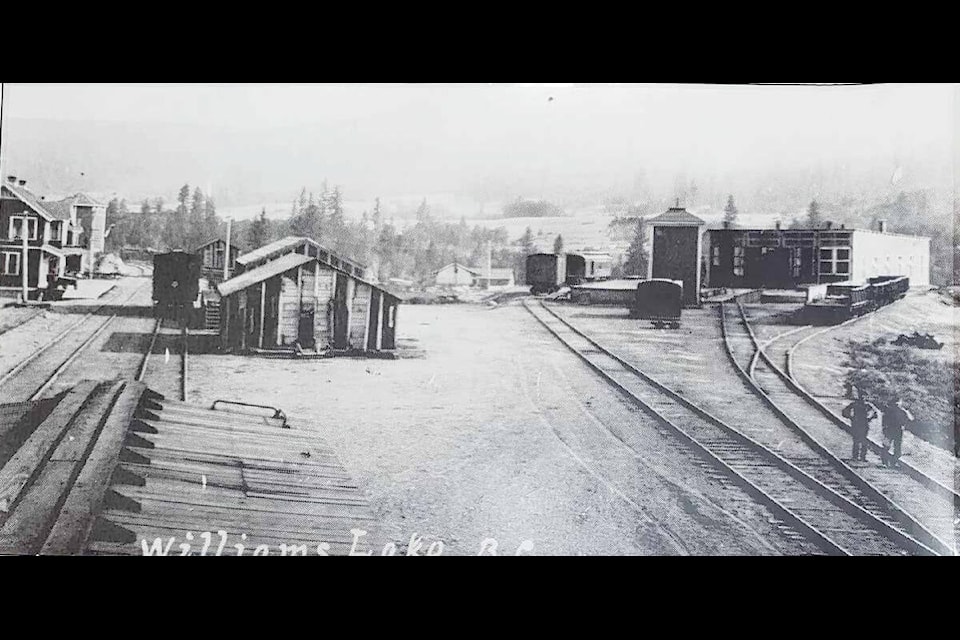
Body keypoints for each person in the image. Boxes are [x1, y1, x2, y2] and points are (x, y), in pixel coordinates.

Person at [842, 389, 877, 462]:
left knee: (857, 441)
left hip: (858, 424)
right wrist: (869, 418)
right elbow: (875, 414)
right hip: (862, 424)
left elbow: (844, 412)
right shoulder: (866, 405)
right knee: (862, 441)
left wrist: (850, 417)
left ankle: (857, 456)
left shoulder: (855, 404)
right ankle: (861, 457)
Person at [881, 397, 913, 467]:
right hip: (892, 430)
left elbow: (911, 419)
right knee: (890, 447)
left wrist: (906, 411)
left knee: (893, 448)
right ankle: (888, 462)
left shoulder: (901, 411)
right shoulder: (891, 410)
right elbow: (911, 419)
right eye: (900, 402)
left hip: (896, 431)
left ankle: (889, 462)